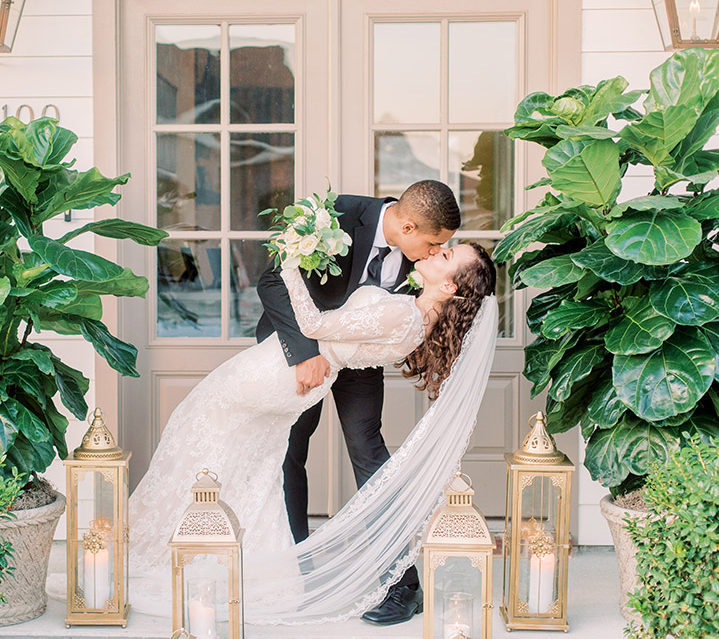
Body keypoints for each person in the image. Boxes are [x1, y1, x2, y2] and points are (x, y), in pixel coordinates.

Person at [122, 231, 497, 625]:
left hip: (273, 375)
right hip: (296, 383)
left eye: (447, 253)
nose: (437, 251)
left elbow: (315, 324)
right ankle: (252, 561)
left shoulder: (405, 315)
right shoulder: (419, 318)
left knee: (197, 434)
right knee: (247, 462)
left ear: (450, 284)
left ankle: (167, 548)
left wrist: (288, 262)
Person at [255, 180, 460, 625]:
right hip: (299, 355)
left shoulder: (419, 262)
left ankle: (403, 585)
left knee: (369, 454)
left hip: (360, 361)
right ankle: (296, 571)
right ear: (407, 226)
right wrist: (304, 355)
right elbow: (271, 281)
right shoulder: (334, 215)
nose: (432, 254)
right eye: (430, 244)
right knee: (290, 454)